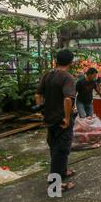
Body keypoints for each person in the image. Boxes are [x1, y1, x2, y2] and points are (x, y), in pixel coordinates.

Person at [35, 49, 76, 192]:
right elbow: (67, 99)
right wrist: (66, 118)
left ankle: (62, 172)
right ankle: (55, 186)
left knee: (55, 148)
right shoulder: (67, 77)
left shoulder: (48, 75)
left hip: (49, 119)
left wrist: (41, 111)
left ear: (57, 60)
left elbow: (38, 94)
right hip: (60, 121)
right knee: (61, 151)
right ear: (71, 62)